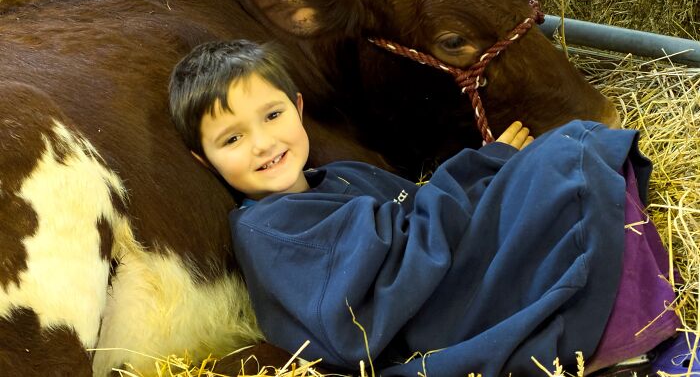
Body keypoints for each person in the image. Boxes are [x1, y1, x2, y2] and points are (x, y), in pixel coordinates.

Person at [168, 40, 694, 377]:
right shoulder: (270, 230)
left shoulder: (337, 177)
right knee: (569, 156)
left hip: (448, 285)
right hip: (433, 324)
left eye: (272, 115)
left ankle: (647, 320)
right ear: (203, 159)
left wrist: (492, 174)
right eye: (233, 138)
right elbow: (367, 308)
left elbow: (421, 211)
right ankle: (628, 342)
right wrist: (478, 169)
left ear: (299, 109)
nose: (263, 144)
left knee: (568, 153)